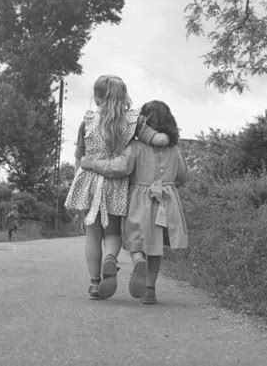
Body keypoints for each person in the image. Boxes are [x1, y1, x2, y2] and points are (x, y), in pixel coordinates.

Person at [65, 76, 169, 300]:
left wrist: (78, 183)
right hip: (116, 184)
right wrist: (166, 137)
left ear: (96, 97)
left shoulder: (88, 121)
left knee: (92, 234)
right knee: (112, 231)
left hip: (89, 180)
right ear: (124, 96)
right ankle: (110, 257)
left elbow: (79, 157)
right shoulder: (134, 121)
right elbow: (155, 139)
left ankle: (94, 284)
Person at [81, 100, 188, 305]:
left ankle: (138, 259)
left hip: (140, 199)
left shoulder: (136, 147)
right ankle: (150, 291)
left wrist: (93, 164)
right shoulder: (175, 150)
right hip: (165, 200)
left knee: (133, 238)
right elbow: (182, 176)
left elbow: (119, 168)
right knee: (155, 246)